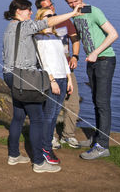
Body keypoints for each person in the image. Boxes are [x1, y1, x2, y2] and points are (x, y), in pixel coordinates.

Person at [3, 0, 82, 173]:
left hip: (10, 75)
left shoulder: (9, 28)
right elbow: (47, 22)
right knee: (37, 119)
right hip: (25, 77)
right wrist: (73, 13)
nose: (31, 13)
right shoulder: (24, 27)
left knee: (18, 116)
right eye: (28, 10)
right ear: (19, 11)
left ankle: (14, 155)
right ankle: (39, 162)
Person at [64, 0, 119, 160]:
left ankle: (103, 146)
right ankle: (97, 138)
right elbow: (77, 38)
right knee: (96, 101)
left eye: (76, 1)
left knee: (102, 103)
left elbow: (113, 34)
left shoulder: (94, 11)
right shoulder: (75, 15)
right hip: (92, 62)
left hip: (104, 60)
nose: (74, 5)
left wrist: (96, 52)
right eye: (70, 3)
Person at [35, 0, 81, 149]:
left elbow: (75, 39)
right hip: (50, 73)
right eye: (46, 6)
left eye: (51, 4)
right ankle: (51, 138)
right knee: (50, 107)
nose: (51, 8)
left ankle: (68, 135)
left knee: (73, 103)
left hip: (66, 69)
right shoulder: (39, 28)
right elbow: (42, 58)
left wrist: (75, 56)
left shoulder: (64, 21)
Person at [34, 8, 73, 166]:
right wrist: (52, 80)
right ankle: (45, 148)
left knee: (55, 115)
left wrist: (69, 78)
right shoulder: (39, 38)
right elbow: (43, 61)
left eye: (53, 15)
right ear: (41, 19)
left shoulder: (57, 37)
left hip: (63, 78)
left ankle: (47, 146)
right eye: (48, 16)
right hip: (53, 79)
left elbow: (63, 59)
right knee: (49, 116)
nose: (52, 18)